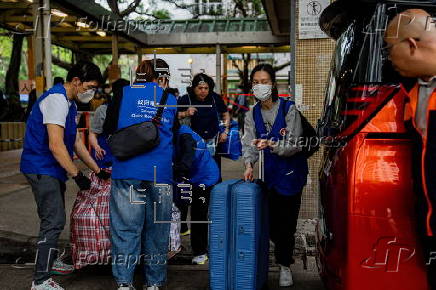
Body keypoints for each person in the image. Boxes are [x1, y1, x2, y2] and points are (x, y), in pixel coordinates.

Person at [20, 61, 110, 290]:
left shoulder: (68, 103)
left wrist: (98, 170)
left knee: (54, 218)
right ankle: (40, 281)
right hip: (41, 167)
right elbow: (56, 145)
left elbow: (76, 142)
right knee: (53, 221)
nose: (91, 92)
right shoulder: (57, 100)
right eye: (89, 87)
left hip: (52, 168)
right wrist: (77, 175)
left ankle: (50, 261)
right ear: (76, 82)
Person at [109, 59, 177, 290]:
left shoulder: (121, 93)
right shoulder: (170, 98)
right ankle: (154, 284)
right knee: (157, 230)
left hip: (127, 170)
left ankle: (125, 283)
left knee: (126, 229)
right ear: (163, 77)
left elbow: (109, 128)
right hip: (160, 173)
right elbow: (174, 134)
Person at [241, 64, 308, 287]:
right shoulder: (251, 114)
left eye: (265, 81)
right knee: (270, 222)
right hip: (269, 175)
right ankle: (281, 256)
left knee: (286, 224)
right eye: (256, 82)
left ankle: (285, 266)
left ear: (273, 84)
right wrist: (249, 164)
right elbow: (249, 142)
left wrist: (270, 143)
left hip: (291, 175)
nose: (260, 86)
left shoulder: (289, 109)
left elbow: (294, 144)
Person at [385, 9, 436, 289]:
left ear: (412, 45)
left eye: (390, 49)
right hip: (429, 228)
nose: (389, 59)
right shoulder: (415, 92)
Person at [173, 123, 220, 265]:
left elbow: (187, 155)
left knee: (198, 214)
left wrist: (177, 169)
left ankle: (201, 252)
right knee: (178, 206)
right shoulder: (171, 132)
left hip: (203, 178)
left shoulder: (185, 135)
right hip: (187, 176)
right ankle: (174, 245)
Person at [177, 73, 231, 180]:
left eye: (206, 88)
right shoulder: (185, 99)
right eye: (200, 88)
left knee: (212, 172)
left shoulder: (215, 98)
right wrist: (186, 113)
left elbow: (225, 114)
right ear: (194, 88)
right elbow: (175, 116)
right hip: (192, 143)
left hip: (212, 141)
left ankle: (212, 193)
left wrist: (226, 131)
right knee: (194, 172)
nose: (203, 91)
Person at [89, 79, 129, 169]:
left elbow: (92, 134)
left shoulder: (102, 110)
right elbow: (93, 134)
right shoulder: (103, 110)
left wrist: (96, 146)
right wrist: (96, 147)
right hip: (107, 157)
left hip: (109, 159)